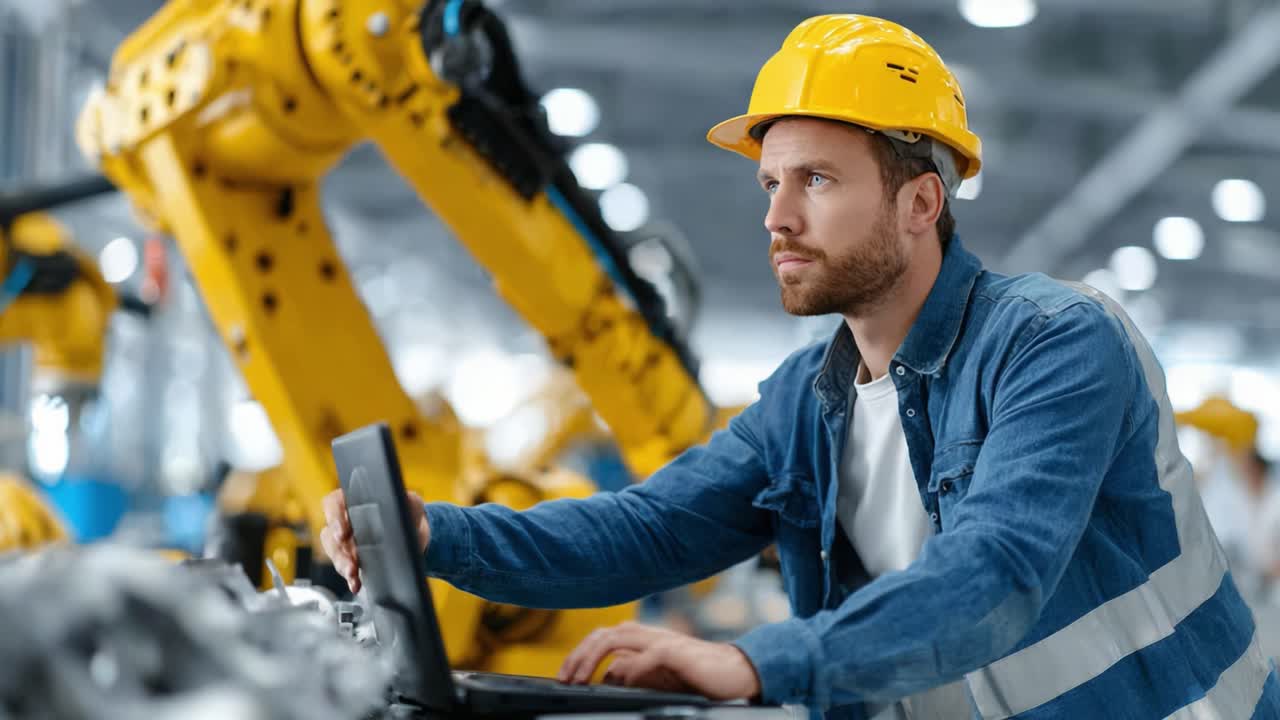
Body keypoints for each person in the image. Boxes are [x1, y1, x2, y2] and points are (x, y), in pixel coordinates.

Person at [321, 14, 1280, 720]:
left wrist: (757, 662)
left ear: (920, 203)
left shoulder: (1056, 342)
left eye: (816, 180)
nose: (777, 216)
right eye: (771, 182)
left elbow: (998, 570)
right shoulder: (808, 402)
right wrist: (435, 535)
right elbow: (651, 527)